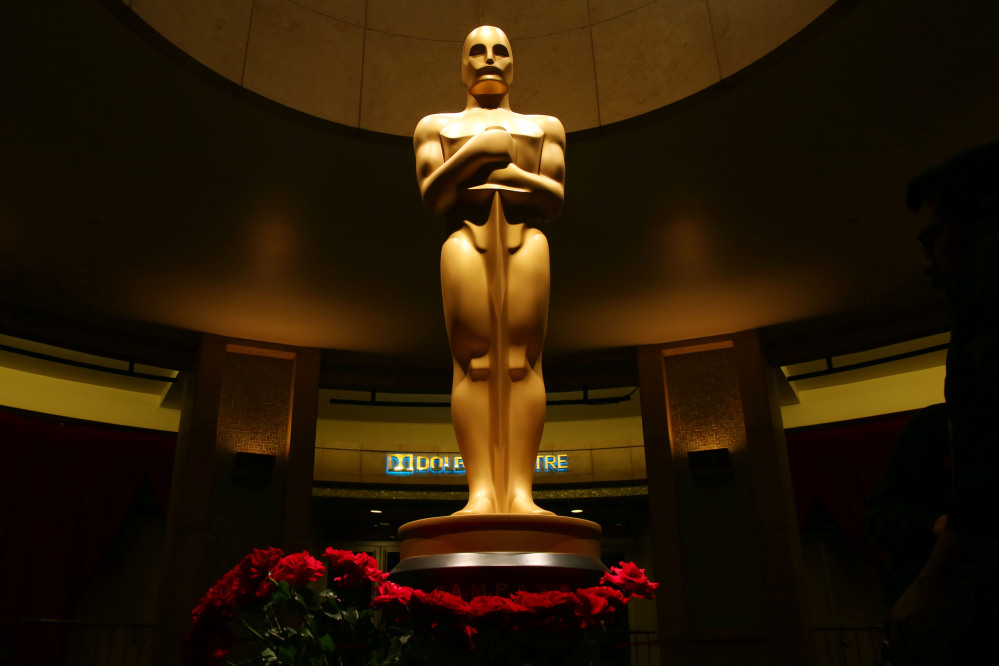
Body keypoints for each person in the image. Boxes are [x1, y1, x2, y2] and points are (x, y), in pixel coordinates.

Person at [413, 26, 566, 515]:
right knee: (473, 363)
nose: (489, 58)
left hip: (527, 242)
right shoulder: (434, 126)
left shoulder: (545, 127)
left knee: (523, 360)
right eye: (476, 51)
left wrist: (505, 171)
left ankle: (521, 493)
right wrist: (478, 153)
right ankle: (480, 492)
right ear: (461, 64)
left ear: (514, 63)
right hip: (465, 241)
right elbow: (434, 198)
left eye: (501, 50)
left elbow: (554, 198)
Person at [886, 140, 999, 664]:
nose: (930, 268)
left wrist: (943, 577)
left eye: (934, 241)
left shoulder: (986, 286)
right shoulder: (929, 431)